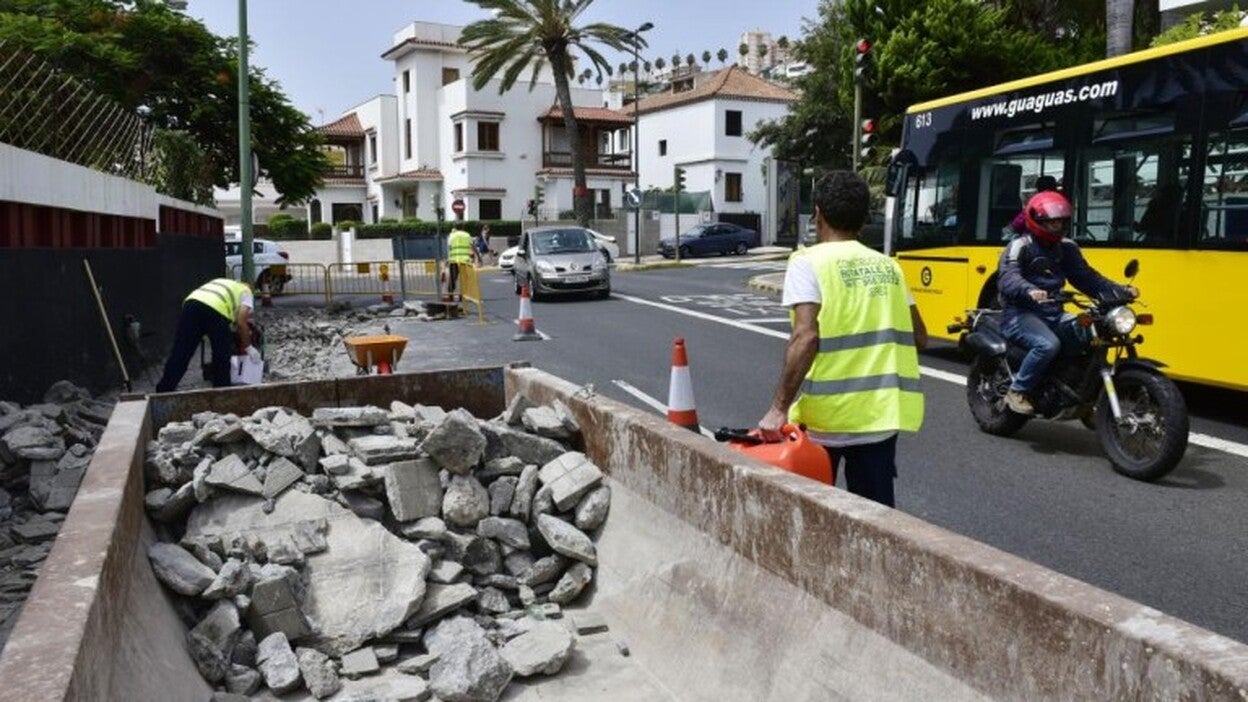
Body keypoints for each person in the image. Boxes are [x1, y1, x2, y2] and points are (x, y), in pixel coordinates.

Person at [758, 171, 926, 508]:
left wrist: (778, 409)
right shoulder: (888, 266)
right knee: (876, 523)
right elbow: (919, 337)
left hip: (825, 423)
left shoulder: (808, 263)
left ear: (817, 213)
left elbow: (805, 337)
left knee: (815, 516)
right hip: (879, 419)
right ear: (864, 219)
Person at [998, 191, 1138, 415]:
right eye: (1051, 222)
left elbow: (1088, 278)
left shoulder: (1067, 247)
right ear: (1038, 221)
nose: (1057, 227)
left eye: (1061, 222)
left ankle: (1077, 389)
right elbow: (1008, 277)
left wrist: (1121, 290)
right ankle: (1017, 390)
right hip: (1020, 314)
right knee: (1047, 345)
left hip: (1053, 312)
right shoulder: (1020, 245)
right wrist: (1029, 290)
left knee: (1091, 333)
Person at [155, 277, 257, 392]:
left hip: (191, 305)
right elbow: (241, 321)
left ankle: (164, 390)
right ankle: (222, 393)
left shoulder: (223, 282)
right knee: (221, 356)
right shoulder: (246, 291)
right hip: (216, 310)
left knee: (181, 352)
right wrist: (249, 348)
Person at [446, 224, 474, 298]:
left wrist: (447, 259)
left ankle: (450, 295)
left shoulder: (452, 236)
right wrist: (478, 258)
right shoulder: (467, 235)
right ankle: (462, 296)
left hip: (453, 260)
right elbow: (472, 246)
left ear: (455, 228)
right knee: (464, 279)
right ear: (463, 227)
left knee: (452, 279)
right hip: (464, 261)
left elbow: (449, 248)